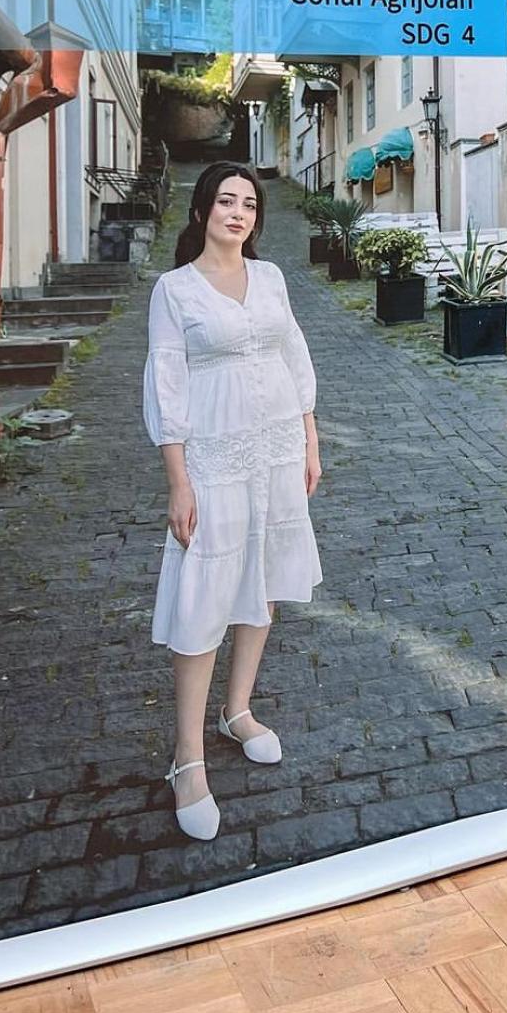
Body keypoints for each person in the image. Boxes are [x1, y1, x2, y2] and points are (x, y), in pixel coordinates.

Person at [143, 162, 323, 841]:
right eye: (226, 200)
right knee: (205, 592)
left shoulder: (271, 278)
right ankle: (188, 757)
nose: (239, 212)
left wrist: (309, 441)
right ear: (201, 211)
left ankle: (237, 711)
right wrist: (178, 479)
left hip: (277, 449)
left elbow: (295, 359)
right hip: (213, 456)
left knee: (267, 577)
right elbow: (166, 386)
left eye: (249, 203)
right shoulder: (174, 290)